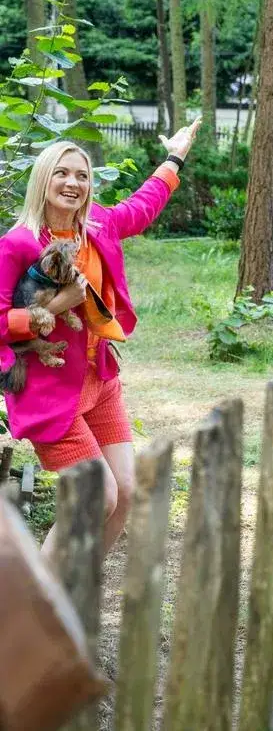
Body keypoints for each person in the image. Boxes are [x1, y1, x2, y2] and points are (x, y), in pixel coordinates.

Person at [0, 119, 202, 560]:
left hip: (100, 378)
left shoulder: (97, 227)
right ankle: (37, 596)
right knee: (98, 497)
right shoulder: (18, 243)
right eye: (61, 173)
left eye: (82, 175)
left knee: (125, 493)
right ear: (43, 180)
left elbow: (142, 206)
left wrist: (175, 156)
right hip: (50, 390)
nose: (72, 183)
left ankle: (79, 589)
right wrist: (58, 305)